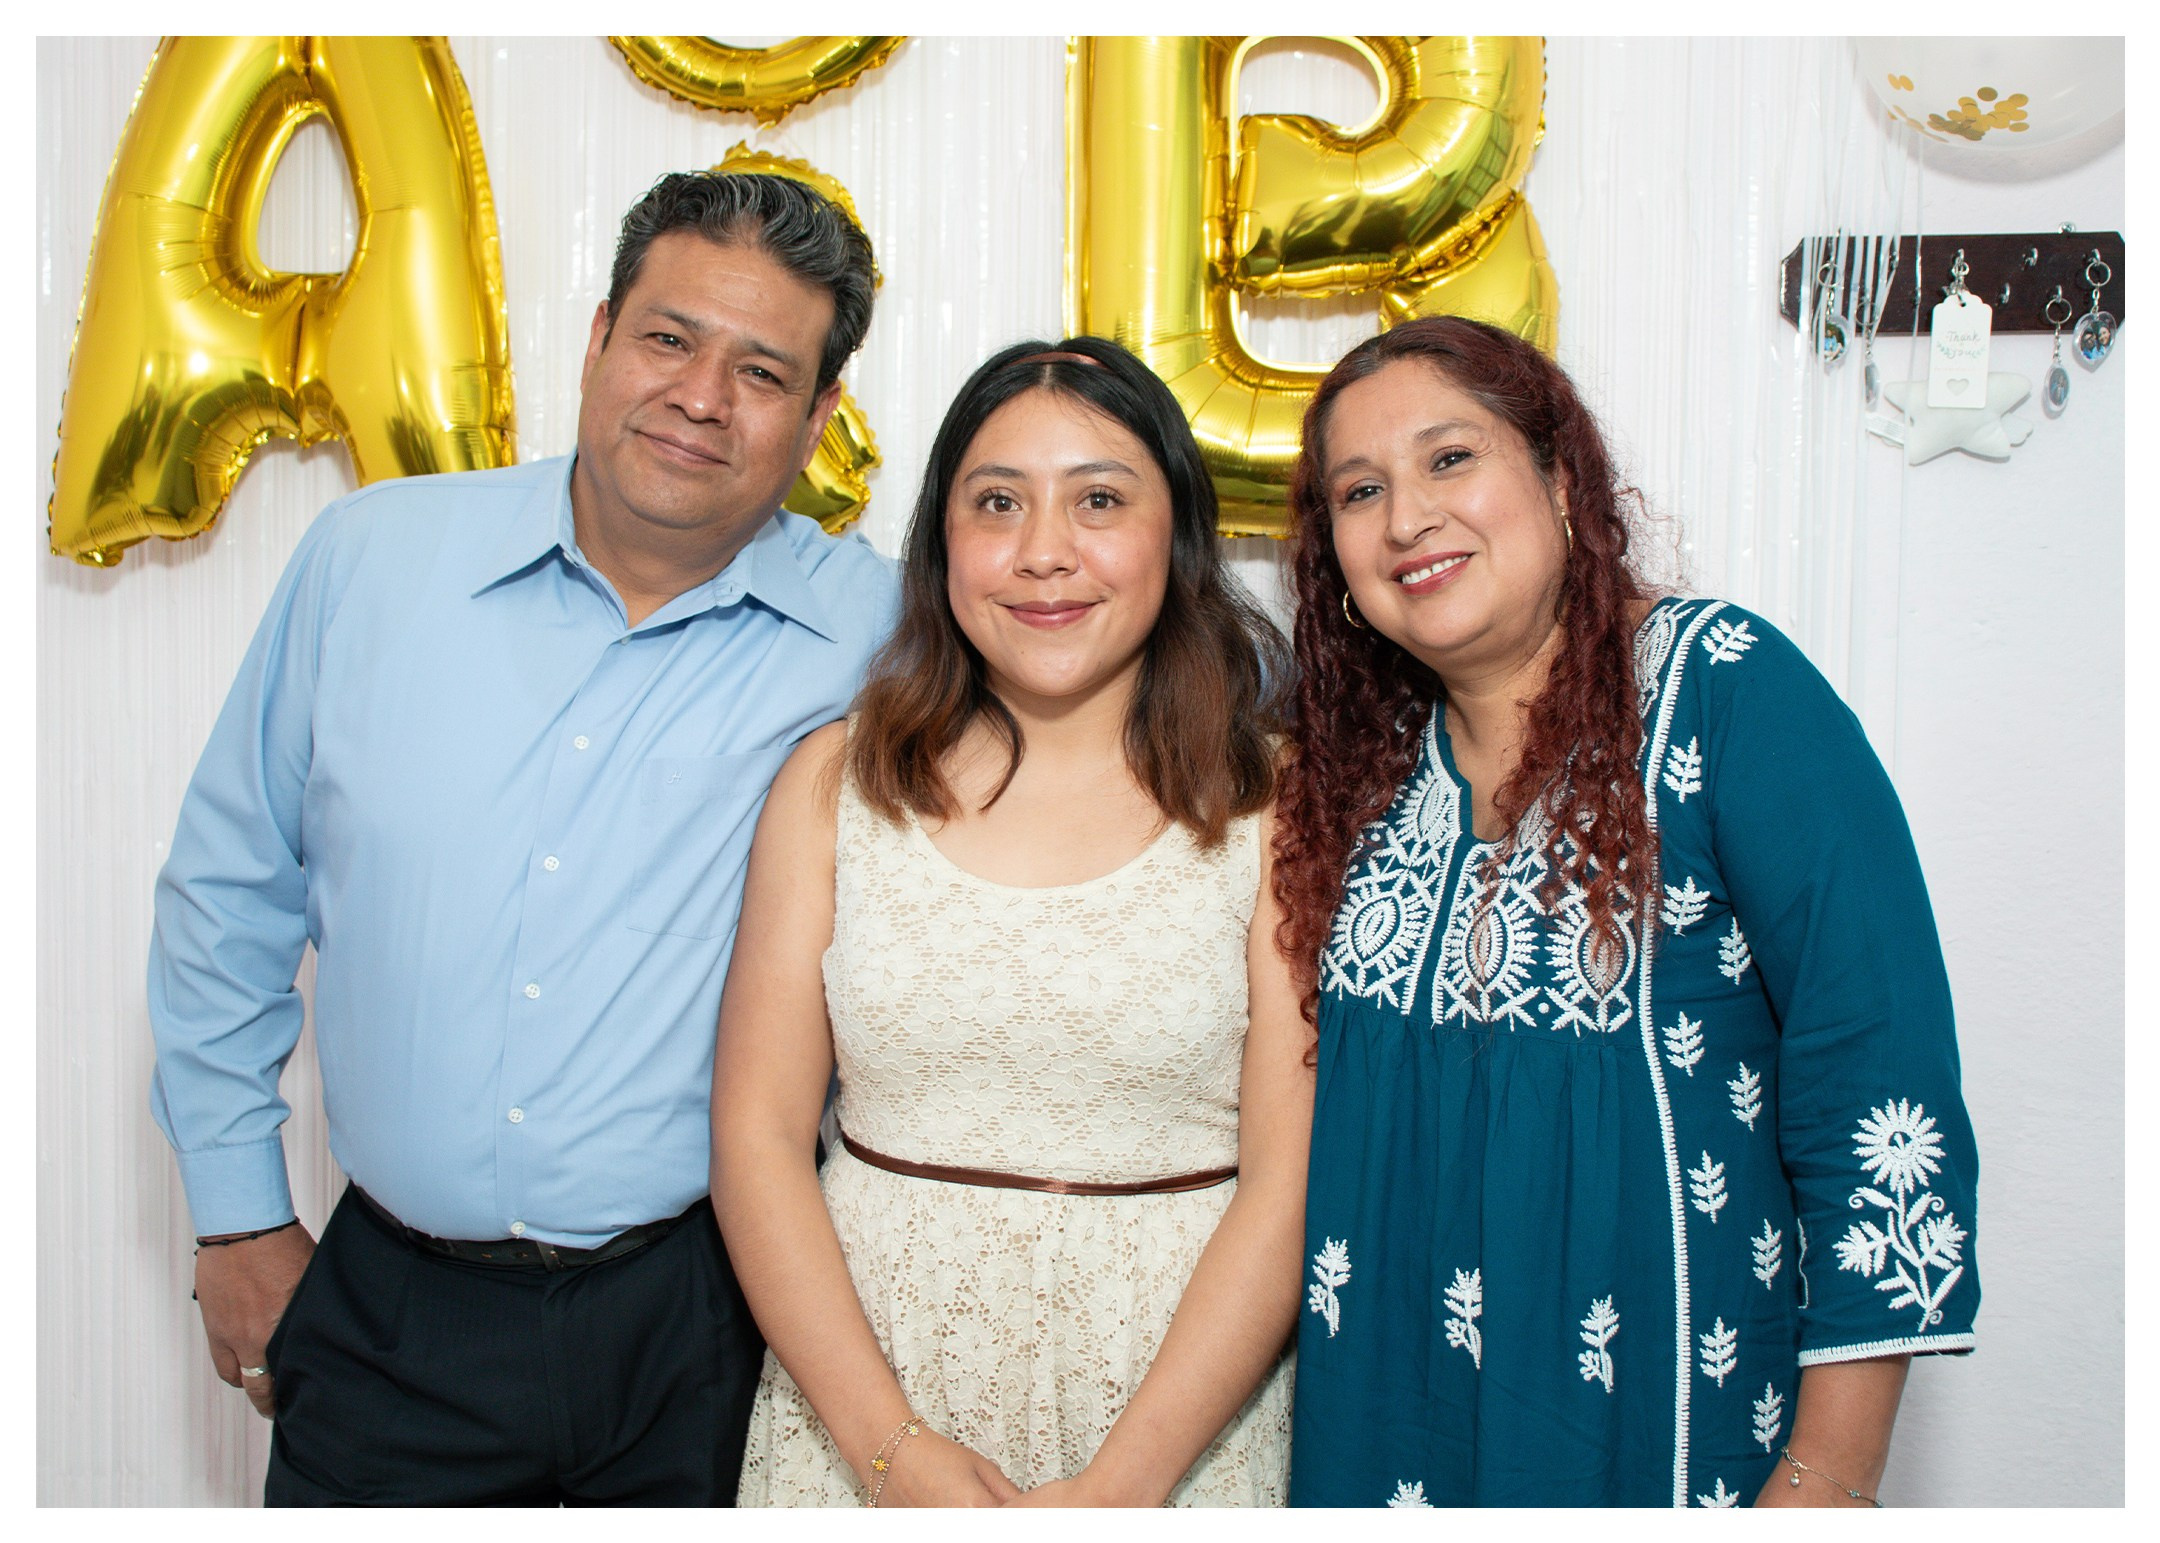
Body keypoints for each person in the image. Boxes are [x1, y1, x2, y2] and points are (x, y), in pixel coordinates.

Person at [146, 170, 896, 1505]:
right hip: (389, 1315)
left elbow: (1146, 689)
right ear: (601, 333)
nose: (701, 396)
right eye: (669, 339)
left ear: (820, 414)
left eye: (763, 370)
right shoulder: (369, 561)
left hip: (709, 1319)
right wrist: (237, 1210)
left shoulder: (887, 635)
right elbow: (230, 892)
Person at [1273, 317, 1979, 1508]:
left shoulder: (1729, 695)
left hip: (1670, 1441)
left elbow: (1878, 1084)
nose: (1406, 519)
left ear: (1560, 478)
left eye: (1451, 460)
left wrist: (1832, 1477)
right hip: (1380, 1431)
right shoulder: (1355, 768)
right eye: (1360, 489)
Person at [714, 336, 1311, 1507]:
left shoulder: (1276, 804)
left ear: (1178, 536)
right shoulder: (833, 788)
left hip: (1180, 1426)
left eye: (1099, 499)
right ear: (942, 543)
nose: (1045, 553)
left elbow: (1286, 1185)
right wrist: (893, 1452)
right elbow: (757, 1140)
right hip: (868, 1408)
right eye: (998, 503)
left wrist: (1119, 1488)